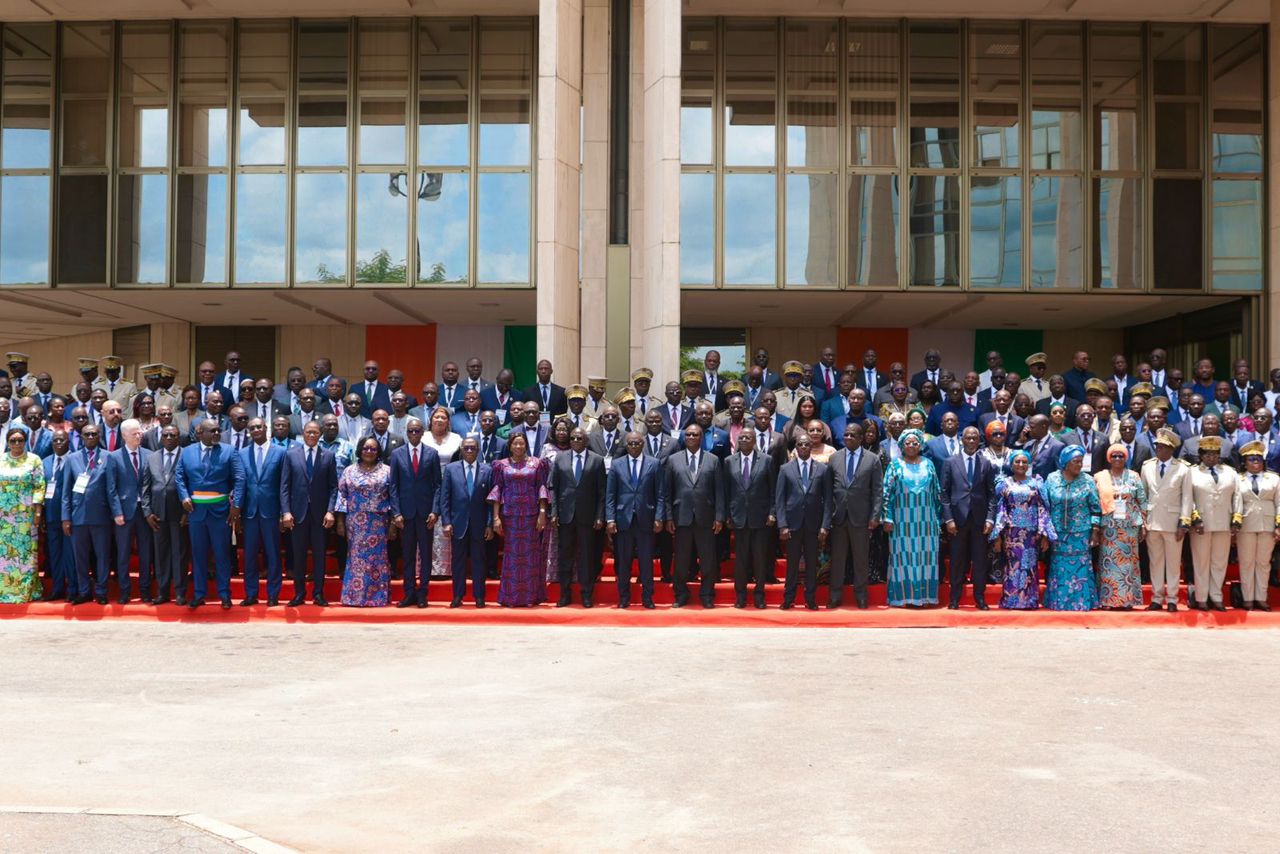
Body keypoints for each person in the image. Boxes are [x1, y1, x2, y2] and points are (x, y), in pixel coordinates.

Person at [175, 419, 246, 610]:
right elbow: (179, 476)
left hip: (220, 510)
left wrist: (236, 505)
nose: (217, 434)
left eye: (218, 431)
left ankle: (224, 594)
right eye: (212, 431)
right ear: (200, 433)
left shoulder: (229, 451)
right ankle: (199, 594)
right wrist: (184, 497)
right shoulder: (187, 451)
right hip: (196, 511)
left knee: (222, 554)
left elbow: (240, 478)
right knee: (198, 555)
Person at [335, 436, 402, 607]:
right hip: (355, 522)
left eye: (373, 449)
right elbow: (342, 496)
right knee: (356, 559)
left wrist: (394, 523)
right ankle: (354, 597)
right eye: (366, 448)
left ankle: (377, 597)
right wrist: (340, 522)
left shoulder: (387, 471)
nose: (369, 451)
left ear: (378, 451)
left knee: (377, 560)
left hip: (379, 522)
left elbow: (394, 498)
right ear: (359, 450)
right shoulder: (349, 471)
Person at [665, 423, 725, 609]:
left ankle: (707, 594)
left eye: (695, 434)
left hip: (705, 517)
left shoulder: (713, 460)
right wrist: (668, 517)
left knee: (707, 560)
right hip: (681, 517)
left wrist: (719, 517)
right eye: (688, 434)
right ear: (684, 438)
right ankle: (681, 594)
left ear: (701, 438)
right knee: (682, 560)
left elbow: (719, 491)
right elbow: (667, 492)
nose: (691, 437)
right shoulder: (673, 460)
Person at [881, 429, 943, 607]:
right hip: (902, 522)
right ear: (901, 445)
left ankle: (925, 598)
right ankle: (904, 598)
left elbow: (936, 492)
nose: (911, 446)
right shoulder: (894, 465)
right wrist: (887, 517)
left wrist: (938, 519)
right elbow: (887, 493)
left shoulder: (929, 464)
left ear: (920, 445)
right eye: (907, 443)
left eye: (915, 443)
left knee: (926, 558)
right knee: (903, 558)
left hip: (927, 521)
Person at [487, 433, 549, 607]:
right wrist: (496, 517)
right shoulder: (502, 465)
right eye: (516, 444)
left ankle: (531, 597)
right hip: (510, 517)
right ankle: (511, 598)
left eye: (522, 443)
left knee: (531, 558)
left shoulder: (537, 464)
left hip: (531, 516)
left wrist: (542, 512)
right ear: (510, 445)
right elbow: (497, 489)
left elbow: (541, 488)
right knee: (512, 558)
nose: (519, 447)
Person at [280, 421, 338, 608]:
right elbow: (284, 487)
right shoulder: (291, 455)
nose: (312, 435)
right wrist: (286, 511)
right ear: (303, 434)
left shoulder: (328, 456)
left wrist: (330, 511)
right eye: (308, 432)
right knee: (298, 555)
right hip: (297, 514)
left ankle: (318, 594)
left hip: (320, 515)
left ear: (320, 434)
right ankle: (299, 594)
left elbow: (333, 488)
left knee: (320, 556)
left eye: (315, 432)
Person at [547, 426, 606, 608]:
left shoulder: (596, 460)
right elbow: (553, 488)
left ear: (586, 441)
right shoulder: (561, 458)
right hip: (565, 516)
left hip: (587, 517)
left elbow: (601, 492)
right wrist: (554, 512)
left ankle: (586, 594)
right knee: (565, 556)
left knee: (586, 557)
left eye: (579, 438)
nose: (575, 441)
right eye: (573, 438)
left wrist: (599, 516)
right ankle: (565, 595)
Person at [606, 431, 665, 609]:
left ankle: (648, 597)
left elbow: (660, 494)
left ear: (643, 444)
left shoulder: (654, 464)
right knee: (623, 562)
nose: (633, 446)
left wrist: (659, 517)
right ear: (626, 445)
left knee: (646, 562)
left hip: (646, 519)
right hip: (623, 520)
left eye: (637, 443)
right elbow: (610, 495)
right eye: (630, 443)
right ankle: (624, 597)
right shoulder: (616, 465)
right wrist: (610, 519)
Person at [940, 425, 997, 609]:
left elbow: (991, 494)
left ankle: (979, 598)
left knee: (980, 560)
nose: (971, 441)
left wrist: (990, 519)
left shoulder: (986, 463)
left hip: (980, 520)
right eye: (968, 438)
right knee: (957, 560)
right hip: (957, 520)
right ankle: (954, 598)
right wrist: (948, 519)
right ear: (962, 440)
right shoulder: (950, 462)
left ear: (979, 440)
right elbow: (944, 493)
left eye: (974, 438)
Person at [61, 424, 120, 605]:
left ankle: (101, 591)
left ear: (99, 435)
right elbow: (66, 491)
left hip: (101, 516)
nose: (91, 436)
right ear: (82, 436)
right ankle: (84, 591)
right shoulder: (72, 458)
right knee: (80, 558)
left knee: (102, 556)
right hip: (78, 516)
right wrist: (66, 517)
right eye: (87, 434)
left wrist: (117, 513)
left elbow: (112, 489)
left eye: (94, 434)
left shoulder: (108, 457)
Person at [989, 450, 1055, 609]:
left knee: (1029, 565)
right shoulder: (1004, 484)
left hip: (1031, 534)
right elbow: (1000, 509)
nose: (1021, 465)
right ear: (1011, 464)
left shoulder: (1036, 483)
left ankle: (1029, 601)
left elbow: (1043, 509)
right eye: (1017, 462)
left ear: (1029, 464)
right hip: (1012, 533)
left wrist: (1045, 534)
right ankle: (1011, 600)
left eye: (1024, 462)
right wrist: (997, 535)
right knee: (1013, 565)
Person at [827, 423, 883, 609]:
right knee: (838, 558)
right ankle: (835, 595)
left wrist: (875, 516)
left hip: (861, 517)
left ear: (861, 438)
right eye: (846, 435)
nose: (848, 438)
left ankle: (861, 595)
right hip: (838, 517)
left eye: (853, 435)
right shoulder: (834, 458)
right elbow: (828, 492)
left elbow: (877, 490)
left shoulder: (872, 459)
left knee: (860, 559)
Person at [388, 417, 441, 608]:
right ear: (406, 433)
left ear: (423, 432)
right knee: (408, 554)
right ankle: (409, 592)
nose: (414, 434)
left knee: (425, 555)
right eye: (410, 431)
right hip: (406, 514)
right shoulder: (397, 454)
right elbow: (393, 486)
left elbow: (437, 486)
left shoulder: (431, 454)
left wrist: (435, 511)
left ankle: (423, 593)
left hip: (426, 513)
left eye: (417, 431)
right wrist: (396, 514)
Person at [775, 433, 832, 610]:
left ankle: (810, 598)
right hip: (792, 525)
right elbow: (780, 499)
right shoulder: (785, 469)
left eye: (807, 444)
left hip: (814, 525)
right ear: (796, 448)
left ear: (811, 447)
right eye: (800, 444)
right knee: (792, 563)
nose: (804, 447)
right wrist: (782, 525)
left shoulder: (822, 469)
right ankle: (788, 598)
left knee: (811, 563)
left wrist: (825, 525)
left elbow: (828, 499)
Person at [1043, 445, 1101, 611]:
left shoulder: (1087, 481)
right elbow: (1046, 506)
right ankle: (1058, 602)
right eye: (1076, 462)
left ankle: (1082, 603)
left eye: (1081, 462)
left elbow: (1095, 508)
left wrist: (1095, 531)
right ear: (1066, 463)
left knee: (1081, 568)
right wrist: (1046, 532)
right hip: (1058, 533)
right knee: (1059, 568)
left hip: (1080, 533)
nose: (1080, 465)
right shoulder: (1052, 479)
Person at [1139, 429, 1191, 613]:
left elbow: (1187, 497)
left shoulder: (1183, 468)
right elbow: (1143, 496)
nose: (1159, 450)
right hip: (1153, 521)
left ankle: (1172, 599)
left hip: (1172, 521)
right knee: (1156, 562)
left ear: (1171, 449)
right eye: (1157, 446)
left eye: (1163, 447)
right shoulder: (1147, 466)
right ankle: (1156, 598)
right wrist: (1142, 521)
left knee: (1173, 563)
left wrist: (1184, 522)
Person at [438, 437, 493, 608]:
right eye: (466, 448)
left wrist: (490, 524)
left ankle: (479, 596)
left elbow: (491, 500)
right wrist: (446, 522)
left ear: (478, 450)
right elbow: (444, 498)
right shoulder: (450, 469)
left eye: (473, 448)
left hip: (479, 523)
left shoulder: (487, 469)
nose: (469, 451)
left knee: (479, 561)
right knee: (458, 562)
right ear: (461, 450)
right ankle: (457, 596)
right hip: (457, 523)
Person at [238, 417, 286, 606]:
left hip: (271, 511)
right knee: (249, 556)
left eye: (259, 426)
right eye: (252, 428)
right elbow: (240, 482)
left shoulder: (281, 452)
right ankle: (251, 594)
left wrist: (284, 512)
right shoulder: (241, 453)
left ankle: (273, 594)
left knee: (273, 554)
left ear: (266, 428)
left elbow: (284, 485)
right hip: (249, 512)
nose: (256, 429)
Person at [1094, 444, 1147, 610]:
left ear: (1126, 458)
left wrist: (1144, 523)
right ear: (1109, 458)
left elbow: (1143, 501)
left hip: (1129, 527)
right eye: (1114, 456)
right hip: (1109, 528)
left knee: (1128, 565)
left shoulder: (1134, 477)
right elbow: (1095, 502)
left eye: (1121, 456)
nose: (1117, 459)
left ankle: (1127, 600)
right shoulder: (1100, 477)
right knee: (1108, 563)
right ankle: (1108, 600)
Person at [1188, 436, 1238, 611]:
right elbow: (1188, 498)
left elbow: (1237, 496)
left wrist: (1236, 519)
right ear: (1200, 455)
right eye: (1207, 453)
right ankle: (1201, 597)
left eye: (1215, 453)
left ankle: (1216, 596)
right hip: (1201, 523)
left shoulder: (1230, 472)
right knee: (1201, 561)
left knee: (1219, 561)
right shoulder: (1192, 472)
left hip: (1223, 521)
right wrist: (1195, 518)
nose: (1211, 457)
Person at [140, 425, 188, 606]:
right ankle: (162, 592)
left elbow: (190, 484)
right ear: (161, 437)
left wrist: (186, 513)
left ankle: (180, 592)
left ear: (178, 437)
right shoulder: (151, 458)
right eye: (165, 435)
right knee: (161, 555)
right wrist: (147, 512)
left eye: (173, 435)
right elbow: (145, 488)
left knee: (179, 554)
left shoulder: (186, 455)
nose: (169, 438)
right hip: (157, 515)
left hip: (179, 514)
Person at [108, 418, 152, 604]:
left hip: (145, 512)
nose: (138, 435)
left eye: (139, 432)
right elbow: (111, 488)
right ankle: (125, 591)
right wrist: (117, 512)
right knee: (123, 553)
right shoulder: (114, 457)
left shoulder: (149, 455)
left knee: (146, 553)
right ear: (124, 435)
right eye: (134, 433)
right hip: (124, 513)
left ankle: (145, 590)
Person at [0, 428, 45, 603]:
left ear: (25, 441)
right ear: (8, 442)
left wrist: (38, 511)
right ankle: (4, 590)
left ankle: (27, 590)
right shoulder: (1, 460)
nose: (17, 443)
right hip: (3, 518)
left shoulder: (34, 460)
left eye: (20, 440)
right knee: (4, 554)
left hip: (26, 516)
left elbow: (39, 485)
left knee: (25, 554)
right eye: (13, 440)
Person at [1235, 441, 1278, 611]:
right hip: (1245, 524)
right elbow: (1235, 502)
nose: (1256, 462)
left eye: (1259, 459)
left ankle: (1261, 598)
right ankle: (1247, 598)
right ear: (1245, 462)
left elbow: (1279, 503)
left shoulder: (1274, 478)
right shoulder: (1238, 479)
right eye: (1252, 459)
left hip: (1267, 524)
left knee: (1263, 562)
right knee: (1246, 562)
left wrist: (1278, 525)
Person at [421, 406, 462, 579]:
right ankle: (424, 568)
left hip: (449, 484)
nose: (439, 420)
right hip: (426, 485)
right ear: (430, 420)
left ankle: (443, 570)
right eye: (436, 417)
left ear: (448, 421)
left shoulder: (456, 439)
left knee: (444, 525)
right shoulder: (422, 437)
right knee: (427, 524)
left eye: (443, 417)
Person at [41, 431, 75, 601]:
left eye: (62, 440)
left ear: (68, 442)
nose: (59, 443)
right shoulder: (45, 462)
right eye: (55, 440)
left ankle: (72, 588)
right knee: (54, 554)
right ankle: (57, 588)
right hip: (51, 515)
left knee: (70, 554)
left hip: (70, 517)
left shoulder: (75, 460)